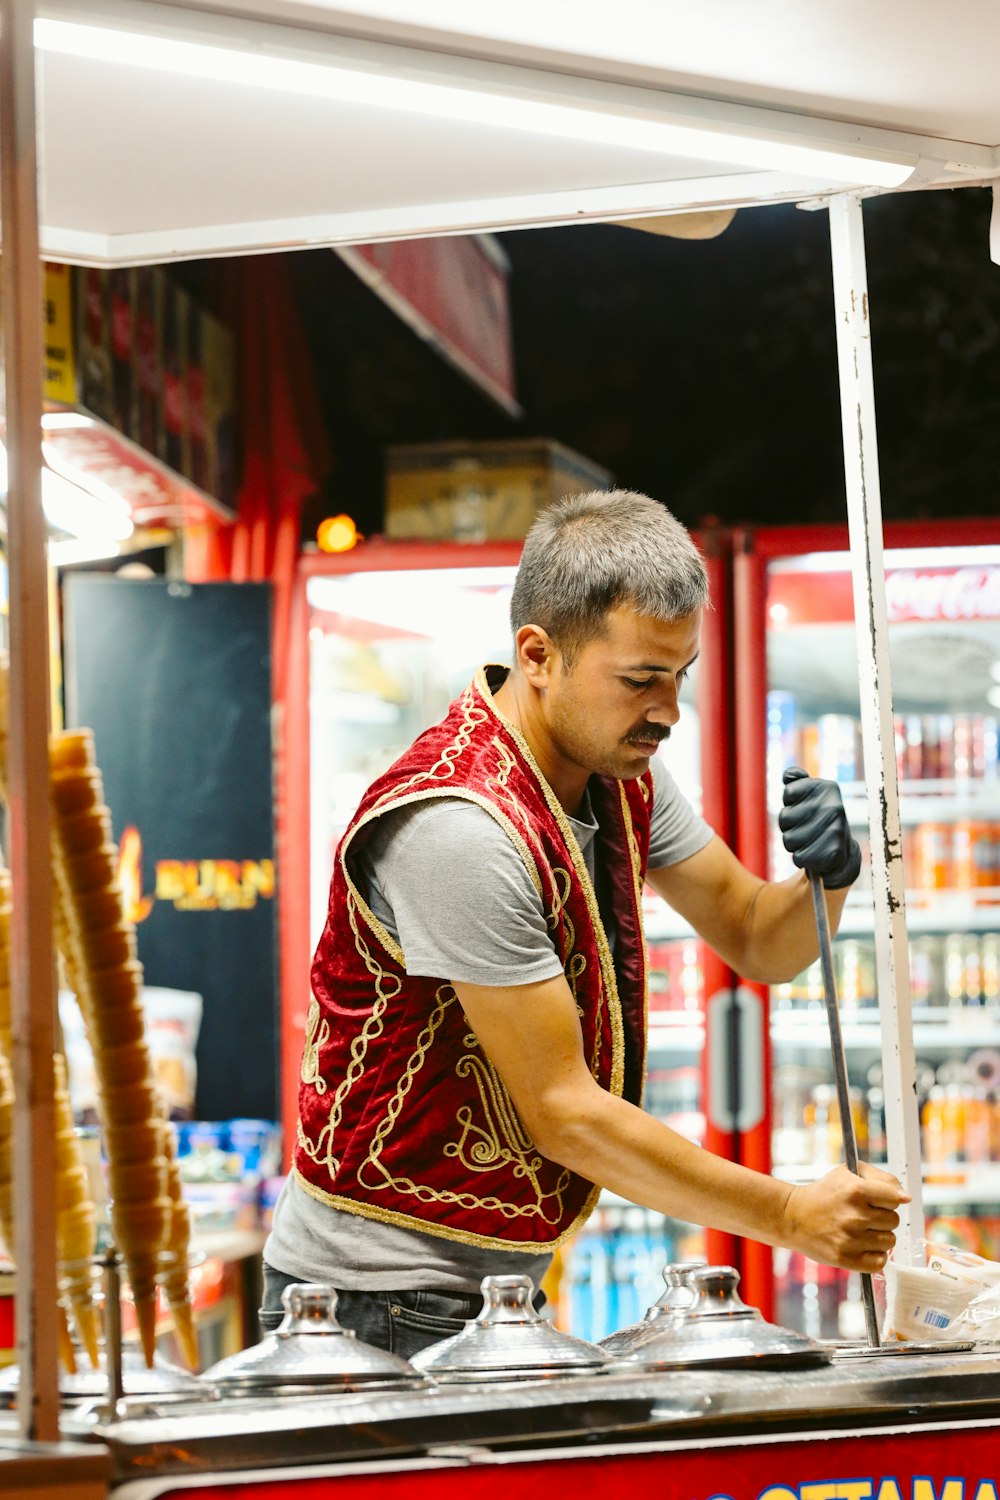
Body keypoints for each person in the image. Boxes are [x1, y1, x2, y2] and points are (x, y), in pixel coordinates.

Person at [262, 489, 908, 1358]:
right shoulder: (460, 826)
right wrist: (790, 1213)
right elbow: (563, 1112)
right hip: (370, 1299)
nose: (669, 710)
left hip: (488, 1282)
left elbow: (760, 936)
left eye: (680, 674)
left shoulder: (619, 772)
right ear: (538, 654)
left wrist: (827, 878)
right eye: (640, 679)